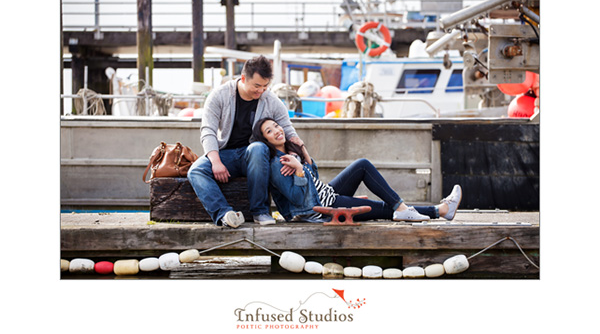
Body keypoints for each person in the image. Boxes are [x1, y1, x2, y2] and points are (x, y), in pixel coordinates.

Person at [252, 117, 462, 223]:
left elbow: (313, 179)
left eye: (276, 126)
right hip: (319, 209)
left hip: (325, 194)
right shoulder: (276, 164)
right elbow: (298, 199)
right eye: (269, 131)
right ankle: (439, 210)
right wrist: (298, 170)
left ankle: (406, 208)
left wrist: (303, 151)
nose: (277, 131)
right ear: (266, 140)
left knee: (361, 165)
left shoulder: (290, 153)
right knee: (376, 207)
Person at [187, 56, 304, 228]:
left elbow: (288, 130)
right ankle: (225, 214)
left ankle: (260, 211)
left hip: (257, 155)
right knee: (195, 171)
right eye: (257, 86)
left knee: (258, 148)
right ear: (243, 78)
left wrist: (295, 155)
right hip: (226, 153)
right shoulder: (219, 95)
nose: (261, 91)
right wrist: (216, 161)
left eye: (265, 86)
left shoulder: (271, 100)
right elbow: (208, 131)